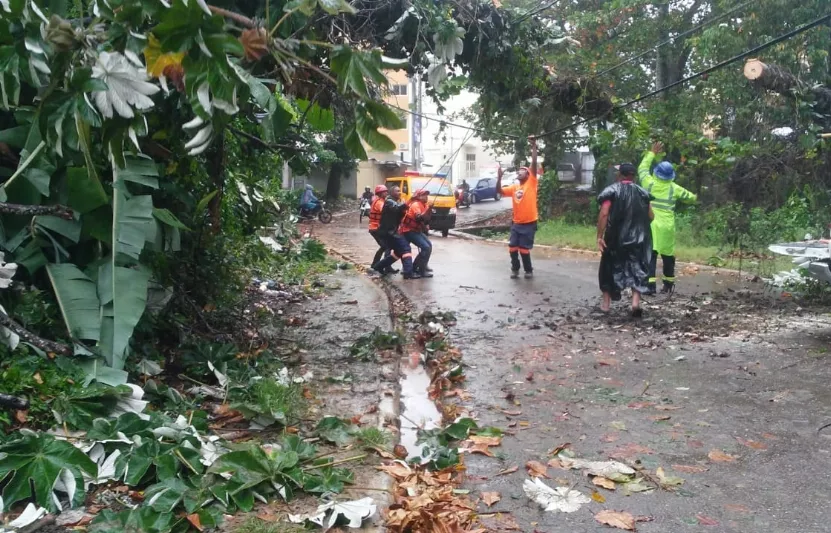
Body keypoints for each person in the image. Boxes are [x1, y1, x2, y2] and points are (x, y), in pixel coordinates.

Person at [638, 142, 697, 294]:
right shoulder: (674, 188)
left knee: (651, 255)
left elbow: (642, 169)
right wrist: (695, 196)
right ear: (670, 176)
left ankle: (650, 287)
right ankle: (668, 285)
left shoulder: (649, 183)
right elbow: (690, 197)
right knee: (668, 256)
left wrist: (652, 153)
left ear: (656, 172)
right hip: (667, 226)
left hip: (652, 224)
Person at [596, 163, 654, 316]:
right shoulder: (642, 192)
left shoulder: (611, 191)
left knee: (608, 267)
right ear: (633, 176)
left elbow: (604, 213)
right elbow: (651, 216)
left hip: (615, 238)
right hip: (639, 238)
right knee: (638, 268)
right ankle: (635, 303)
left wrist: (599, 236)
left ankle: (606, 304)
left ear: (619, 175)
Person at [496, 135, 539, 279]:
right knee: (512, 248)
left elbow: (533, 162)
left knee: (524, 250)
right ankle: (515, 269)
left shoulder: (531, 183)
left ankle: (528, 270)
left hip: (529, 223)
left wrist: (533, 145)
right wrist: (499, 178)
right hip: (516, 223)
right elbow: (499, 191)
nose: (519, 171)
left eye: (522, 170)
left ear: (528, 174)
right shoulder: (514, 187)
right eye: (518, 170)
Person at [372, 186, 419, 279]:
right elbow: (397, 209)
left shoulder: (392, 202)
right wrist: (410, 200)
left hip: (390, 232)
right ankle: (408, 273)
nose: (400, 192)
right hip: (389, 233)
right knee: (405, 249)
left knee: (398, 252)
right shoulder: (389, 201)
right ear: (392, 193)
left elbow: (399, 213)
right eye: (397, 191)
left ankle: (379, 266)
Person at [400, 189, 434, 278]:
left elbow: (427, 220)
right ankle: (416, 269)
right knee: (425, 247)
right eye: (423, 195)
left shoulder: (425, 205)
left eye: (427, 195)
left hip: (416, 230)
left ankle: (421, 268)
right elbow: (419, 218)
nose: (426, 197)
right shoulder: (416, 205)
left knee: (429, 246)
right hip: (408, 230)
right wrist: (429, 209)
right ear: (418, 197)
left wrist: (429, 210)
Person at [368, 184, 395, 274]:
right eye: (384, 192)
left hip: (378, 228)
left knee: (387, 246)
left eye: (386, 191)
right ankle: (375, 266)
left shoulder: (382, 201)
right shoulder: (379, 202)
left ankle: (385, 266)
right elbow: (385, 211)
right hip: (375, 228)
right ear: (380, 193)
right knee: (385, 246)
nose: (386, 193)